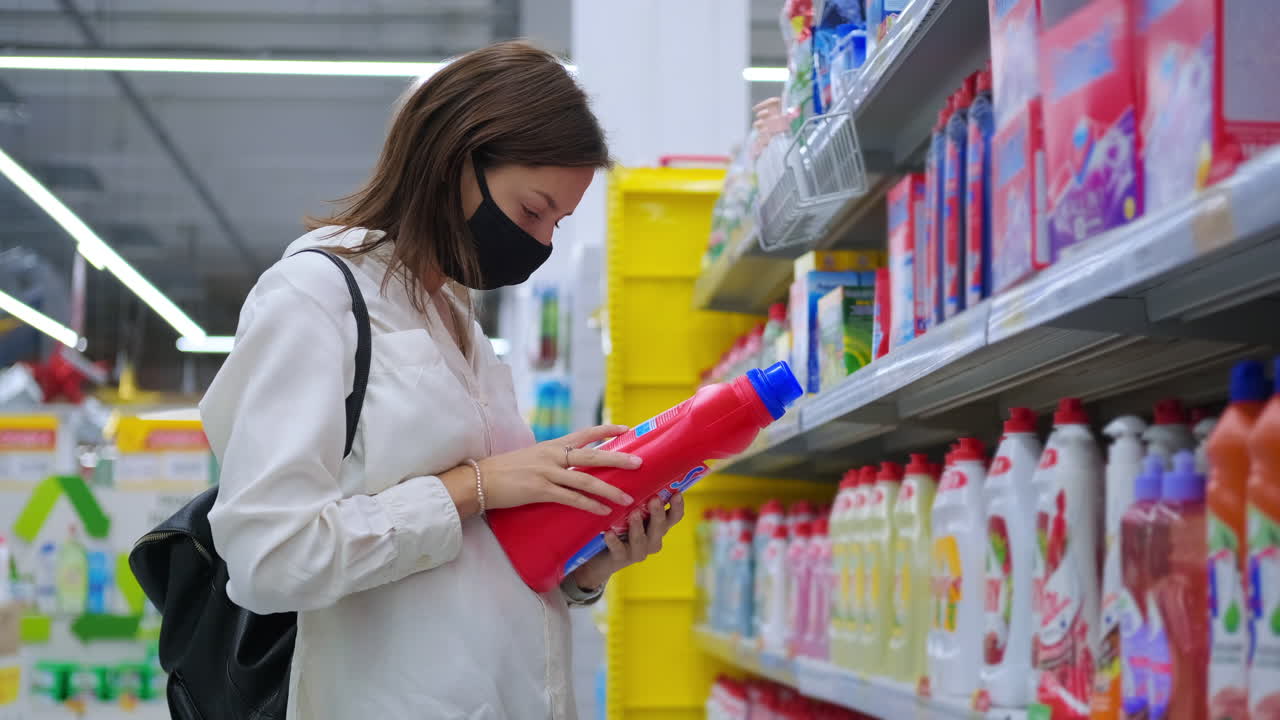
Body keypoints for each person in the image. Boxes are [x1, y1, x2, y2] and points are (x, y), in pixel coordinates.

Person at [201, 41, 683, 720]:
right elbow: (269, 559)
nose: (541, 245)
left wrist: (584, 565)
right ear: (458, 158)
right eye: (532, 212)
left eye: (557, 224)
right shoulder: (314, 298)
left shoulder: (458, 322)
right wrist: (474, 486)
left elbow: (471, 567)